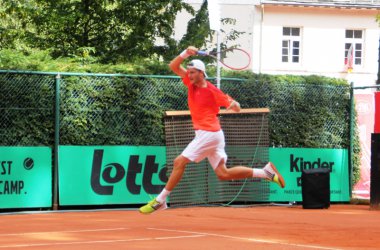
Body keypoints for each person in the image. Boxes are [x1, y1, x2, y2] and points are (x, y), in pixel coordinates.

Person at [139, 46, 285, 214]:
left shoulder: (212, 91)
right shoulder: (190, 83)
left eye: (193, 72)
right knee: (223, 174)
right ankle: (264, 172)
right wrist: (186, 53)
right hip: (212, 135)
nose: (189, 75)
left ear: (201, 73)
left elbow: (236, 107)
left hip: (209, 133)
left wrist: (234, 105)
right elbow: (173, 66)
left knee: (179, 161)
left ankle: (161, 200)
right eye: (189, 72)